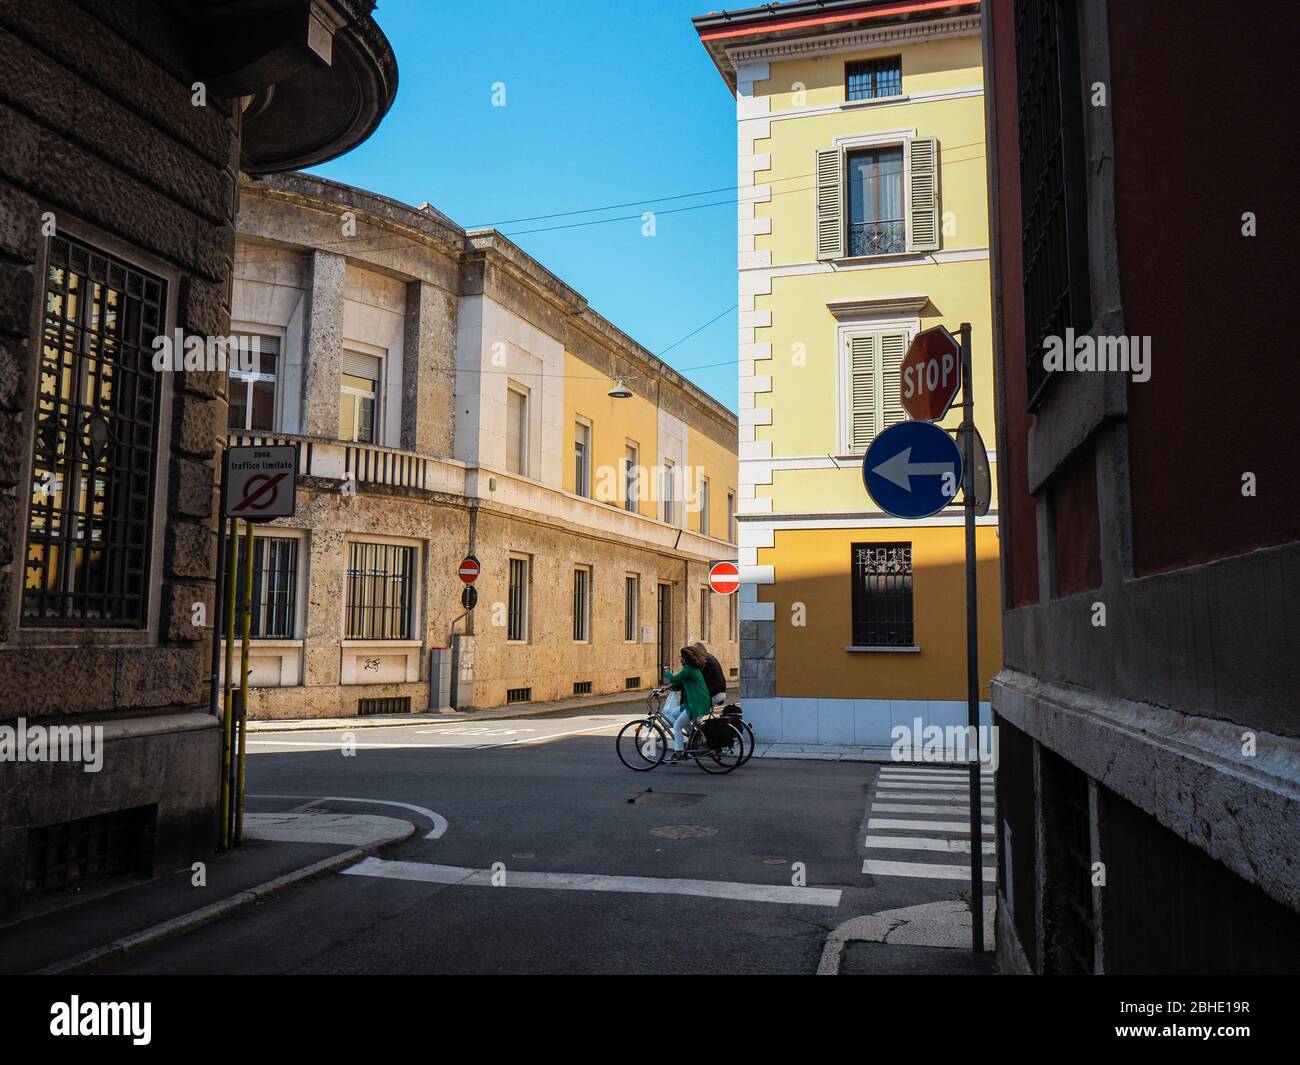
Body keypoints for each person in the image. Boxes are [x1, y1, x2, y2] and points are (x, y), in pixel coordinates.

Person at [662, 645, 712, 760]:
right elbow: (679, 684)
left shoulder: (689, 670)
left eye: (681, 657)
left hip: (695, 704)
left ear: (685, 659)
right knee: (674, 714)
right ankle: (693, 736)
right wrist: (665, 689)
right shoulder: (691, 669)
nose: (680, 659)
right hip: (693, 702)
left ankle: (679, 751)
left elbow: (674, 679)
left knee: (677, 725)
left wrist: (666, 670)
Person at [692, 641, 728, 707]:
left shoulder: (704, 660)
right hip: (720, 691)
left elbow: (696, 675)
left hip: (715, 693)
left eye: (694, 652)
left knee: (695, 707)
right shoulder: (710, 657)